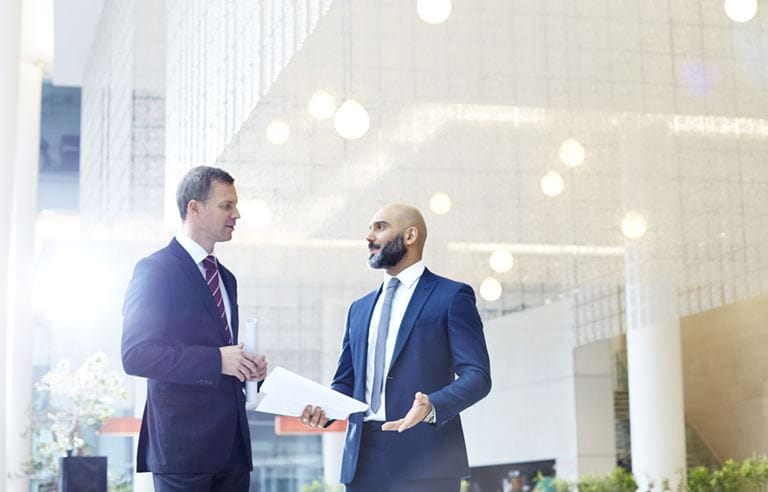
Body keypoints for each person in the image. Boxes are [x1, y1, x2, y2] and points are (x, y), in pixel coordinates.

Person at [301, 203, 492, 492]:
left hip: (426, 459)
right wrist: (325, 409)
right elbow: (345, 381)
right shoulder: (359, 309)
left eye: (379, 227)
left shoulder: (452, 296)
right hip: (362, 462)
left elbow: (477, 376)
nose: (369, 237)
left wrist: (432, 406)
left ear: (410, 235)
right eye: (370, 229)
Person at [122, 166, 267, 492]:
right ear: (194, 208)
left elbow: (220, 353)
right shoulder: (155, 270)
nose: (237, 214)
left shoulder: (226, 278)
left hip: (232, 449)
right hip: (183, 451)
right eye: (226, 205)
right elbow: (136, 355)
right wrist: (218, 361)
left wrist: (245, 367)